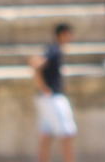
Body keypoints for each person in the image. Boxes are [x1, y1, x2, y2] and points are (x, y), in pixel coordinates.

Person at [31, 23, 78, 161]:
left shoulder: (52, 49)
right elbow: (36, 64)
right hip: (53, 98)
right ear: (63, 34)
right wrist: (43, 87)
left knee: (46, 135)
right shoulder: (54, 49)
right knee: (67, 134)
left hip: (46, 98)